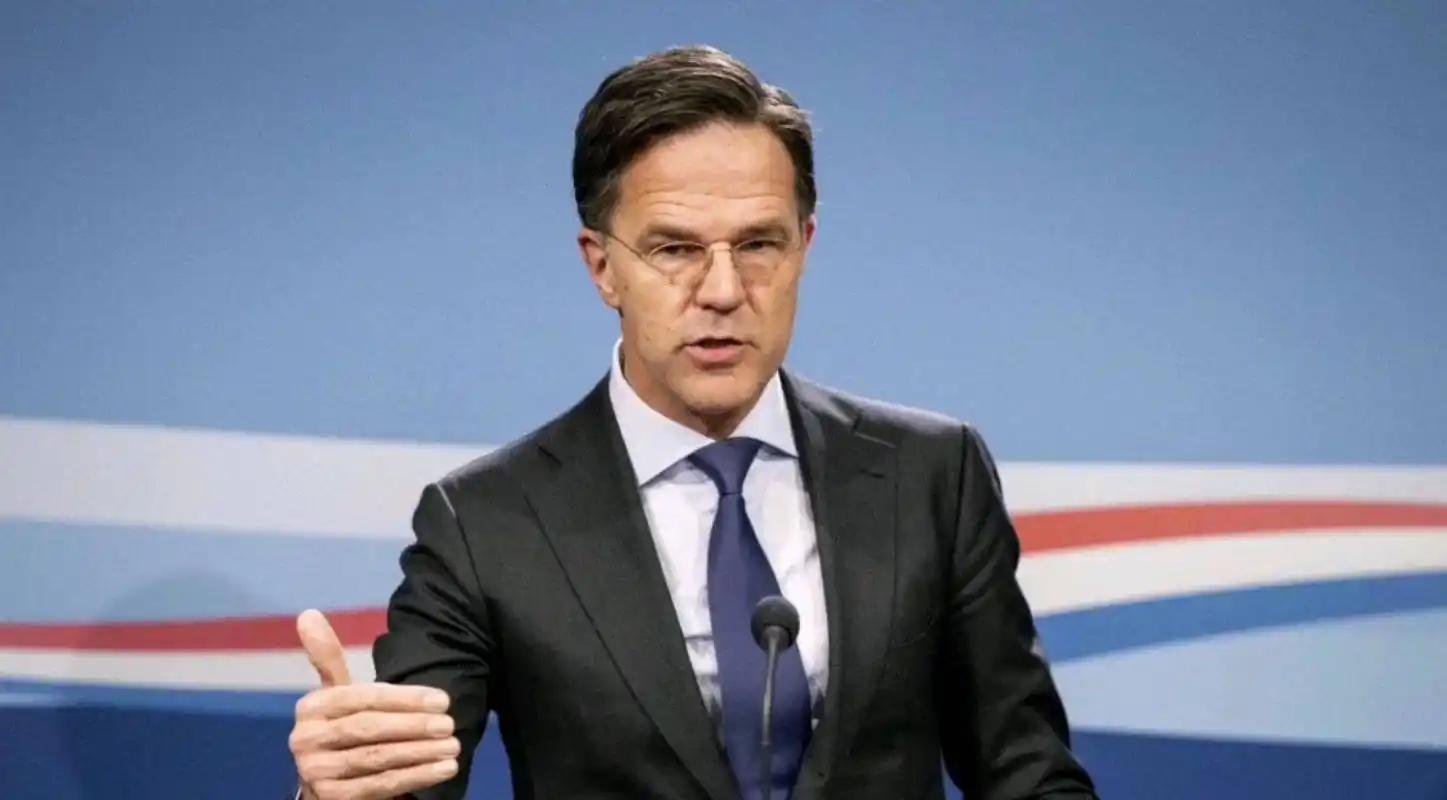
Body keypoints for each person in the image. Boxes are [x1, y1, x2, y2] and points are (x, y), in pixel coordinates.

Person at [287, 45, 1097, 800]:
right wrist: (340, 791)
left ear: (804, 245)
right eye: (674, 249)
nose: (722, 291)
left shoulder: (931, 475)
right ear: (602, 266)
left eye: (759, 244)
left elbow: (1027, 775)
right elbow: (404, 779)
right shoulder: (485, 522)